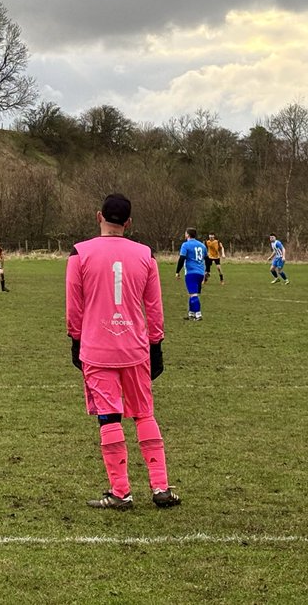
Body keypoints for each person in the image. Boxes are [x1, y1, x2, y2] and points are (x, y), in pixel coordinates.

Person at [66, 193, 179, 511]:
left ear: (98, 216)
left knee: (108, 417)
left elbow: (74, 305)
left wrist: (75, 340)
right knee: (144, 413)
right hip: (135, 349)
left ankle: (121, 492)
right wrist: (156, 345)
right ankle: (160, 487)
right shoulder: (146, 255)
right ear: (128, 223)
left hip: (97, 349)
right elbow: (154, 307)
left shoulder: (79, 253)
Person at [175, 228, 207, 321]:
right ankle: (191, 314)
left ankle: (198, 314)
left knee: (193, 294)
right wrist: (207, 270)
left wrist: (177, 271)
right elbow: (207, 258)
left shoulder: (185, 245)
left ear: (187, 235)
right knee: (192, 293)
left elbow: (182, 258)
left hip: (191, 272)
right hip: (200, 273)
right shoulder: (202, 245)